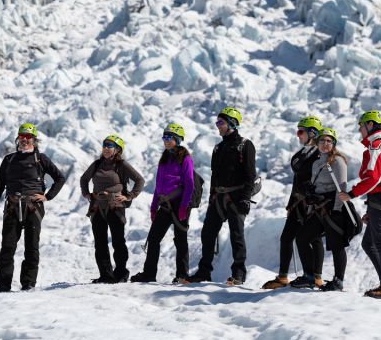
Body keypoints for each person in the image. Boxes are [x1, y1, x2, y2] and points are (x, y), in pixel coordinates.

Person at [0, 122, 65, 291]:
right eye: (22, 137)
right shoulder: (9, 160)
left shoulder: (40, 159)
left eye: (28, 137)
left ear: (34, 140)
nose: (24, 140)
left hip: (33, 207)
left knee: (32, 246)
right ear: (17, 139)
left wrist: (47, 196)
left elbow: (60, 178)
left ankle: (28, 283)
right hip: (12, 206)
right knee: (7, 246)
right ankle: (3, 285)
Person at [188, 107, 257, 286]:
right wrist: (212, 196)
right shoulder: (218, 147)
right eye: (217, 122)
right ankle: (204, 272)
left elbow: (250, 174)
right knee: (208, 233)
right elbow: (215, 174)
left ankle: (239, 273)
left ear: (232, 123)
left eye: (221, 122)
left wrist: (245, 198)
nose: (217, 126)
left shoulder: (245, 144)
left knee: (237, 235)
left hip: (236, 196)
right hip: (218, 197)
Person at [338, 110, 381, 300]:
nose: (359, 129)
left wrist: (351, 194)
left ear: (370, 125)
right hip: (380, 198)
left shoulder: (377, 145)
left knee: (380, 242)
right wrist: (369, 210)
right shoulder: (379, 145)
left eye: (361, 125)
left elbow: (373, 177)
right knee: (368, 243)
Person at [261, 116, 324, 290]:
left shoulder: (320, 155)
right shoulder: (302, 154)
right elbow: (297, 181)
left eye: (301, 131)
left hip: (311, 203)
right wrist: (290, 204)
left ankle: (316, 277)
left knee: (315, 239)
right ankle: (283, 277)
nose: (298, 135)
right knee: (287, 237)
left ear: (312, 133)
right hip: (297, 203)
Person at [131, 123, 195, 284]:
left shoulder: (185, 158)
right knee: (153, 239)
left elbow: (190, 184)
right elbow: (158, 186)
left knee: (180, 239)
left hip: (179, 204)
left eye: (169, 137)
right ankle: (149, 274)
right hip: (165, 205)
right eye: (164, 137)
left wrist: (183, 206)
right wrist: (154, 207)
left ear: (178, 139)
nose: (166, 141)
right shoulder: (164, 158)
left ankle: (182, 275)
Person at [294, 127, 356, 292]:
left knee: (337, 245)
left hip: (333, 207)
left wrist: (336, 210)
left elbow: (341, 188)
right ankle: (309, 276)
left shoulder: (338, 161)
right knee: (302, 238)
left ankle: (338, 281)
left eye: (329, 141)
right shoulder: (316, 162)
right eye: (322, 140)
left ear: (333, 144)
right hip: (319, 208)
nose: (325, 143)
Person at [79, 134, 146, 283]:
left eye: (110, 146)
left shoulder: (122, 165)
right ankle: (106, 275)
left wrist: (130, 196)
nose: (106, 148)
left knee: (118, 241)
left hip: (115, 206)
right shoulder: (97, 164)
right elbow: (84, 179)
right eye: (104, 145)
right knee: (100, 242)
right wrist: (86, 194)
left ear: (117, 150)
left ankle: (121, 273)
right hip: (97, 207)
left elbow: (140, 180)